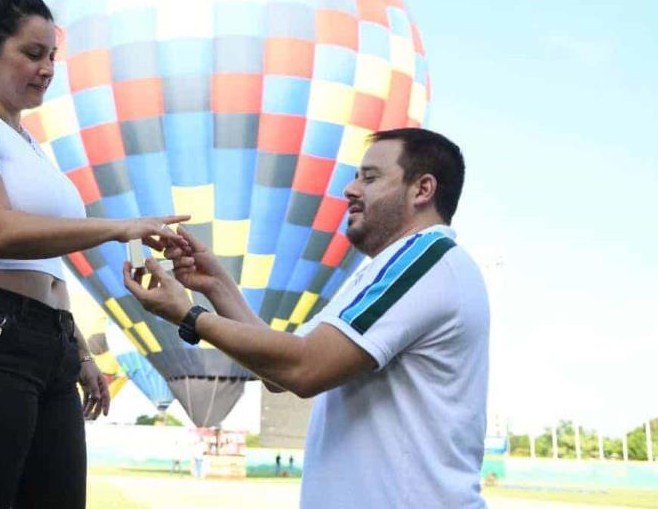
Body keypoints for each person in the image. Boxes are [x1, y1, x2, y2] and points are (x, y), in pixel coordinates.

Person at [0, 0, 189, 508]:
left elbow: (44, 267)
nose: (46, 69)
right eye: (33, 54)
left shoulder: (29, 143)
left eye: (53, 57)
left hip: (50, 345)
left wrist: (78, 350)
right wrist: (121, 227)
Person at [124, 128, 489, 508]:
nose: (350, 190)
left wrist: (188, 314)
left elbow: (305, 369)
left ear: (422, 189)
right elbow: (280, 371)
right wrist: (216, 286)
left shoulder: (425, 259)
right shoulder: (379, 272)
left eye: (370, 177)